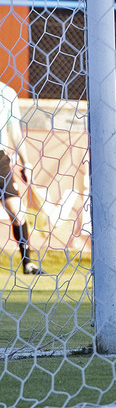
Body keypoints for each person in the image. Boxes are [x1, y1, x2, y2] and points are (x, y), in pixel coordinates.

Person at [1, 80, 44, 275]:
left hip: (0, 159)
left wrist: (26, 163)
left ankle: (27, 263)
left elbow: (15, 132)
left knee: (18, 212)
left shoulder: (7, 93)